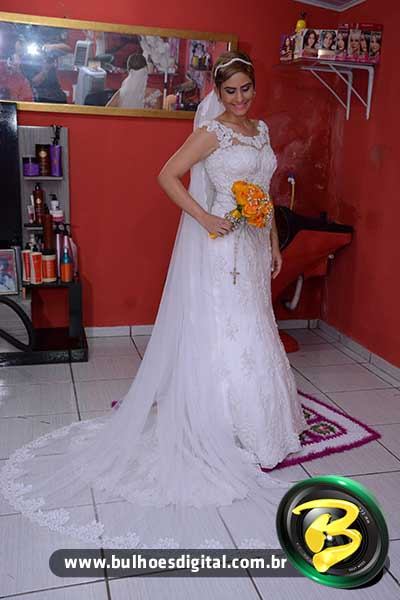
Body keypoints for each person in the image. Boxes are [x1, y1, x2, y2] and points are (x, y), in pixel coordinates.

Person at [0, 50, 307, 549]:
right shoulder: (213, 132)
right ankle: (227, 425)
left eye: (246, 89)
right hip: (222, 245)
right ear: (217, 92)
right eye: (230, 91)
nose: (240, 99)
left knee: (256, 323)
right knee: (231, 329)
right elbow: (167, 175)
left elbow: (263, 194)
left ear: (255, 86)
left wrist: (273, 244)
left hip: (252, 245)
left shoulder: (262, 130)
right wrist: (205, 218)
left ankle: (267, 422)